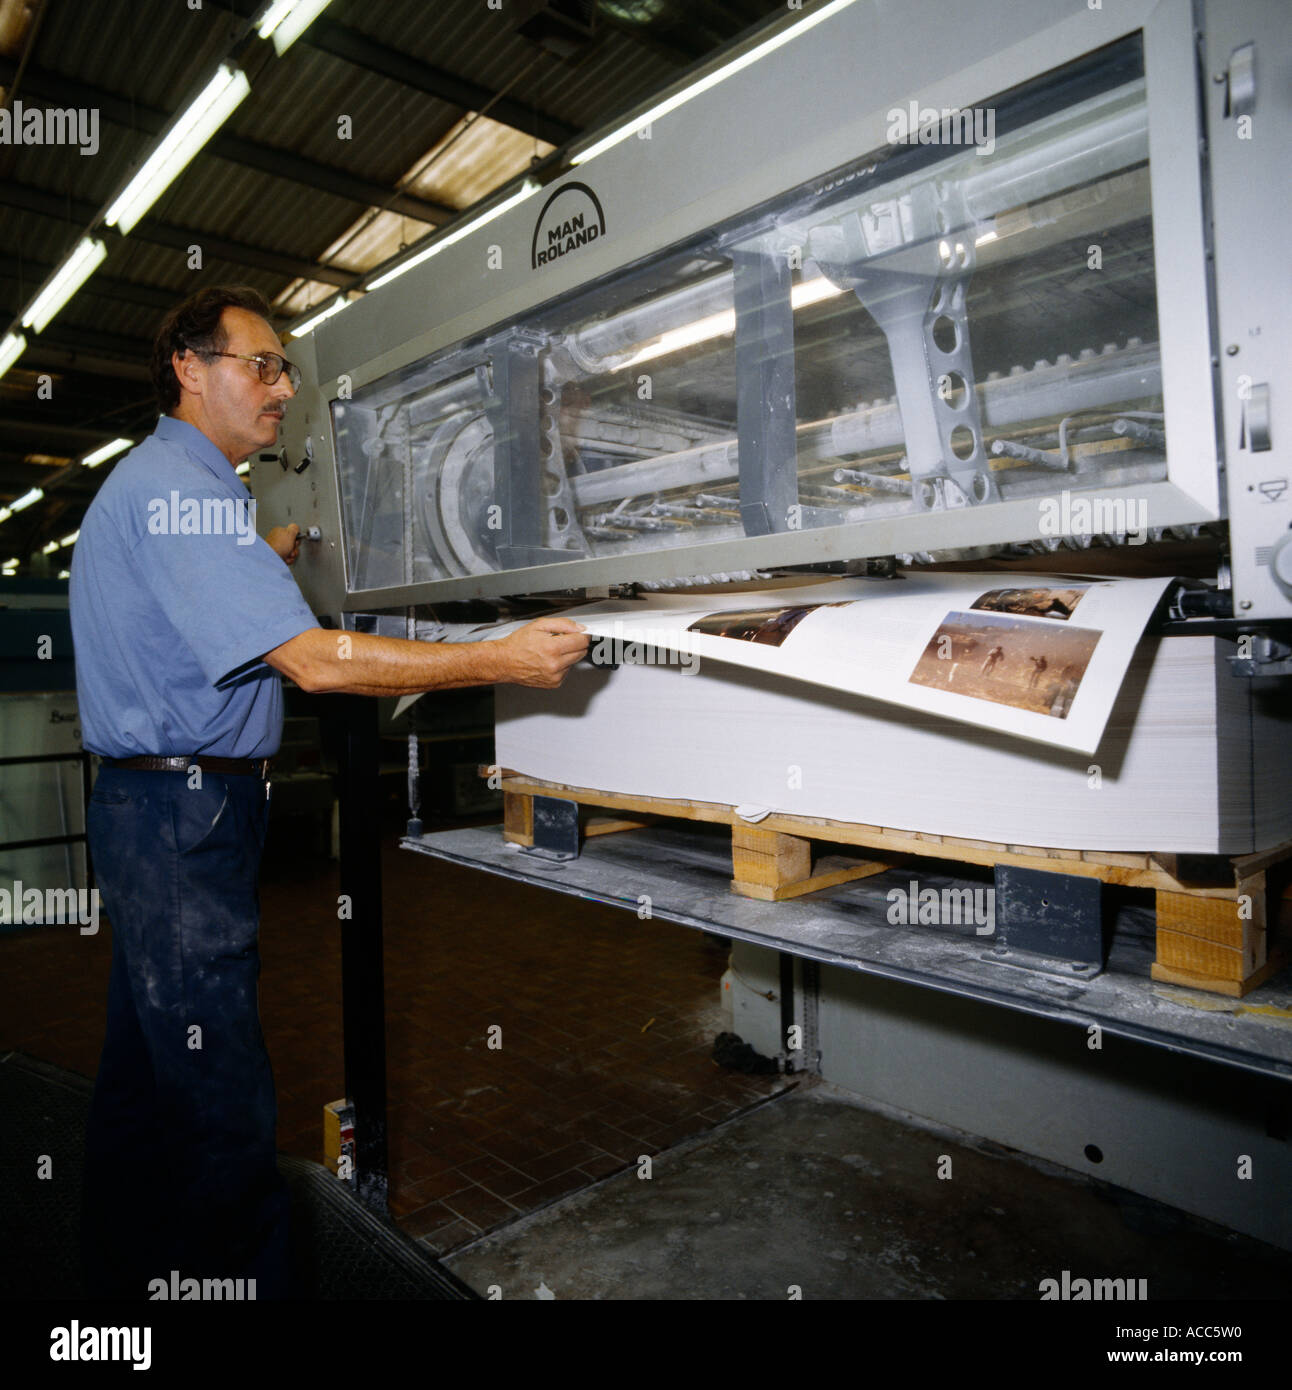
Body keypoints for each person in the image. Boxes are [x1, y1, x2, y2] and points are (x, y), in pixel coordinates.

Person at [70, 285, 588, 1299]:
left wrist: (261, 564)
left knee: (143, 1078)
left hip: (150, 813)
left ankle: (113, 1292)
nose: (282, 390)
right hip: (181, 820)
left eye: (286, 370)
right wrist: (497, 657)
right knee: (219, 1102)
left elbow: (197, 620)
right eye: (261, 366)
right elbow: (313, 663)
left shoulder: (174, 491)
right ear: (188, 365)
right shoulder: (184, 490)